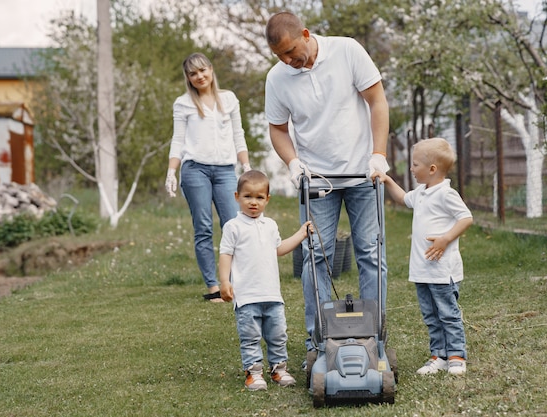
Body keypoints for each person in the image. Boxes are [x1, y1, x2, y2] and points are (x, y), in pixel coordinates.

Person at [264, 11, 391, 353]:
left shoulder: (347, 50)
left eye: (291, 52)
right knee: (316, 257)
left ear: (305, 34)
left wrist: (378, 155)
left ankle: (374, 335)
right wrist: (293, 163)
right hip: (317, 179)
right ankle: (317, 339)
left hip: (363, 174)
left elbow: (377, 101)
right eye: (280, 56)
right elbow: (277, 129)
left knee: (371, 253)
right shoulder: (277, 78)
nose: (288, 60)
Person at [373, 137, 473, 376]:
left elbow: (466, 218)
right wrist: (387, 179)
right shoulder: (421, 193)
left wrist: (445, 238)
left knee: (448, 314)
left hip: (442, 270)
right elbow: (402, 198)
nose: (411, 168)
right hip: (422, 270)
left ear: (432, 169)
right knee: (430, 316)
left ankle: (457, 356)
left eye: (415, 164)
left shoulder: (446, 194)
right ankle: (438, 355)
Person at [165, 52, 251, 303]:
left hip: (225, 170)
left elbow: (239, 134)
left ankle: (235, 282)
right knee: (203, 227)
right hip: (195, 171)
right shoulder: (183, 104)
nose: (199, 76)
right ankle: (214, 287)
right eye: (193, 73)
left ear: (211, 70)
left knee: (233, 225)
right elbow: (178, 140)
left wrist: (246, 165)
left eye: (203, 70)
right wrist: (172, 171)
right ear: (188, 78)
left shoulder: (229, 99)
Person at [218, 170, 313, 390]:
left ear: (267, 199)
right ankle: (253, 372)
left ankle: (279, 369)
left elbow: (278, 249)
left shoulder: (270, 225)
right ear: (237, 197)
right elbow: (225, 255)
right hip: (247, 296)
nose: (253, 202)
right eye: (248, 196)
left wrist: (300, 234)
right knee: (250, 337)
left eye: (259, 197)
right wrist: (224, 281)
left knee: (278, 334)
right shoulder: (233, 227)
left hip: (272, 294)